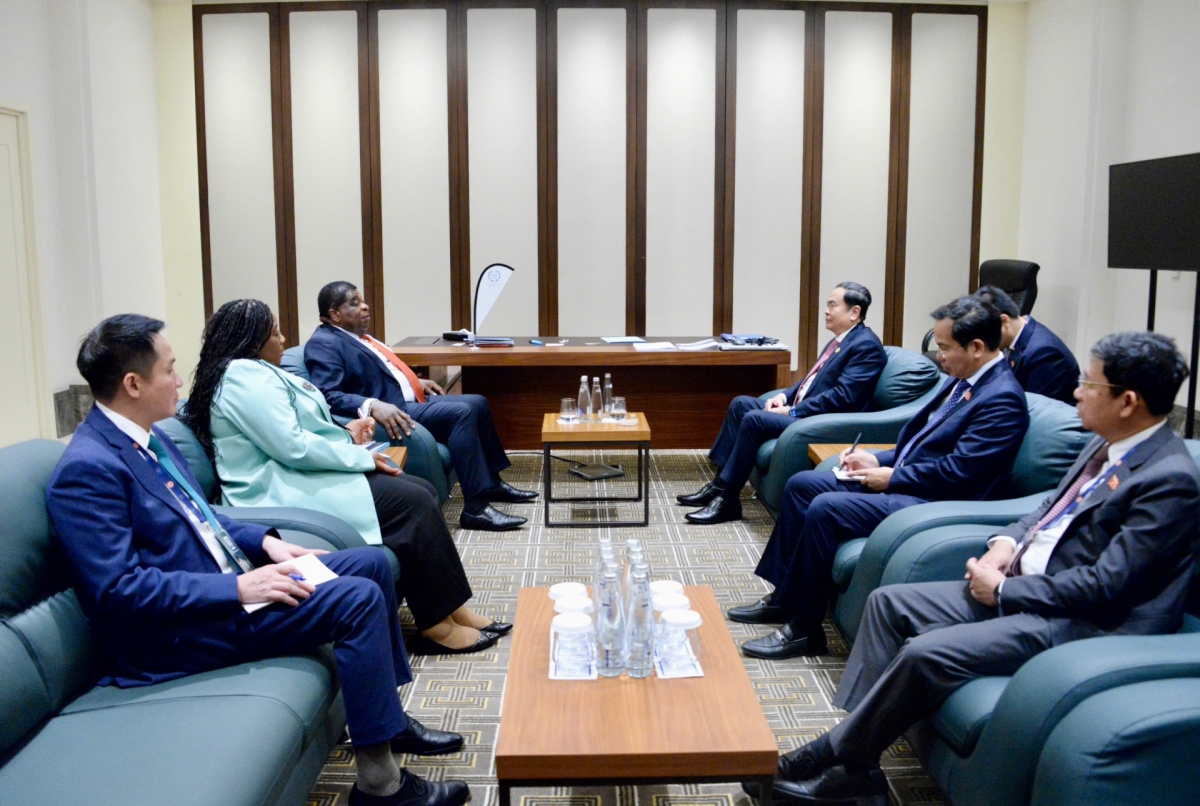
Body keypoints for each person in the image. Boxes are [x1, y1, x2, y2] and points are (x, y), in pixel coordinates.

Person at [46, 314, 469, 806]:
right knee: (355, 599)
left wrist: (266, 544)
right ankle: (382, 786)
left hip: (223, 588)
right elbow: (119, 590)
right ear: (133, 384)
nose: (180, 381)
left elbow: (201, 516)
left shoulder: (145, 439)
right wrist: (241, 589)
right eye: (170, 370)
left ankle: (386, 722)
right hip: (180, 630)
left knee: (368, 565)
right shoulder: (87, 470)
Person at [764, 331, 1199, 805]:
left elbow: (1107, 586)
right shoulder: (1107, 444)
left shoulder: (1169, 479)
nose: (1075, 391)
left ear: (1128, 401)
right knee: (888, 603)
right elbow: (1048, 507)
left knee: (924, 653)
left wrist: (1006, 593)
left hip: (1085, 622)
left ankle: (837, 753)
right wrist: (1006, 542)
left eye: (1088, 384)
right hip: (1026, 582)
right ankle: (858, 762)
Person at [183, 299, 508, 654]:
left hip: (301, 473)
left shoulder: (257, 371)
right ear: (251, 341)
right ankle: (436, 627)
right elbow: (293, 446)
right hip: (277, 487)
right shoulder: (242, 377)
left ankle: (452, 608)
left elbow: (302, 431)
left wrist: (349, 436)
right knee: (411, 501)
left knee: (422, 489)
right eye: (274, 332)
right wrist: (361, 458)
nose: (283, 337)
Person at [731, 296, 1030, 660]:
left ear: (978, 347)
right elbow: (922, 441)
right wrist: (877, 457)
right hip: (913, 478)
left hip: (935, 499)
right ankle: (784, 599)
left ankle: (804, 630)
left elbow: (960, 472)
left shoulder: (1002, 399)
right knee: (802, 485)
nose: (940, 358)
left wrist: (893, 477)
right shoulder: (964, 378)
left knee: (825, 508)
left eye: (945, 348)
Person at [304, 282, 535, 532]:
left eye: (362, 300)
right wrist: (372, 404)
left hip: (408, 399)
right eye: (354, 303)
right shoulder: (325, 342)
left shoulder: (359, 337)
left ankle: (491, 483)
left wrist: (415, 381)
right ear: (335, 314)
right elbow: (327, 394)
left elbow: (382, 372)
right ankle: (475, 509)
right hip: (394, 411)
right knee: (462, 412)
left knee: (477, 402)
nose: (365, 306)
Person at [681, 283, 887, 525]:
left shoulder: (866, 346)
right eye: (827, 305)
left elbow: (843, 397)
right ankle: (719, 485)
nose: (826, 311)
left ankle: (729, 501)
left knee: (755, 418)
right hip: (806, 409)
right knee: (741, 405)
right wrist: (785, 396)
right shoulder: (842, 340)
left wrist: (792, 409)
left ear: (854, 312)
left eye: (833, 305)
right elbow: (812, 379)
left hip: (822, 419)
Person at [974, 285, 1079, 405]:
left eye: (983, 333)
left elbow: (1033, 411)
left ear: (1004, 321)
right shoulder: (1011, 339)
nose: (983, 341)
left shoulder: (1044, 352)